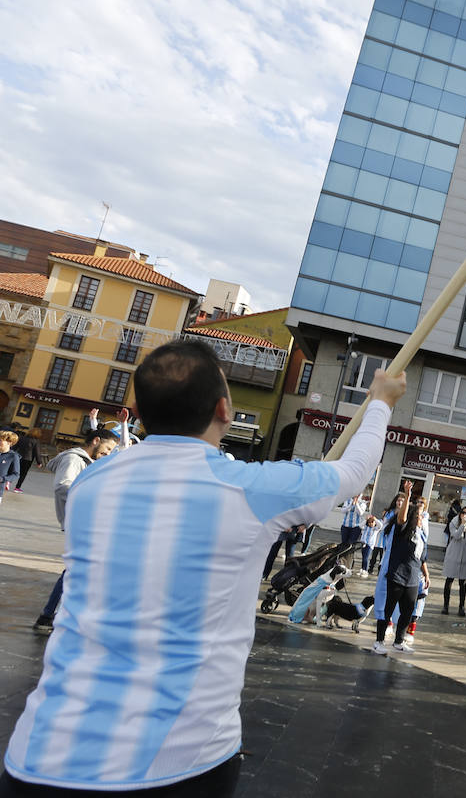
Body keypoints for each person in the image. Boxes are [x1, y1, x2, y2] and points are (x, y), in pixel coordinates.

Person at [1, 339, 402, 795]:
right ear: (225, 410)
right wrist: (382, 401)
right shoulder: (249, 488)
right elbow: (354, 471)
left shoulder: (92, 481)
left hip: (39, 754)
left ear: (137, 410)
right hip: (175, 765)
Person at [29, 427, 121, 633]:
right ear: (96, 441)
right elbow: (63, 486)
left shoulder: (87, 461)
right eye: (107, 449)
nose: (107, 454)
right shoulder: (74, 459)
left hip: (84, 522)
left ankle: (50, 615)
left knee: (76, 569)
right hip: (81, 523)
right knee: (76, 570)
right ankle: (51, 615)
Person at [371, 481, 430, 655]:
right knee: (387, 609)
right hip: (396, 574)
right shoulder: (402, 530)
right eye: (418, 517)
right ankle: (379, 641)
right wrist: (407, 495)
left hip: (413, 577)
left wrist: (426, 575)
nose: (421, 520)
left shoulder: (421, 536)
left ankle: (399, 641)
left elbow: (422, 558)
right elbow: (402, 518)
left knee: (407, 611)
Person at [442, 506, 466, 615]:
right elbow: (456, 536)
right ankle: (445, 606)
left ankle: (462, 607)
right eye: (463, 513)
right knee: (449, 580)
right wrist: (462, 525)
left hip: (465, 556)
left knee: (463, 582)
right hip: (454, 555)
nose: (464, 515)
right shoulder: (454, 522)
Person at [338, 493, 367, 567]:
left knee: (350, 545)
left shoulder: (362, 503)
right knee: (344, 545)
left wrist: (356, 503)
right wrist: (351, 504)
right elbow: (343, 511)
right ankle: (342, 562)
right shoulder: (347, 500)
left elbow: (360, 513)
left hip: (356, 527)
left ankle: (349, 564)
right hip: (345, 525)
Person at [12, 428, 43, 493]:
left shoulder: (21, 438)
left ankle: (8, 482)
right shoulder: (36, 441)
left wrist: (10, 454)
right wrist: (39, 462)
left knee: (14, 471)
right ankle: (17, 487)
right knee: (23, 474)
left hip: (18, 457)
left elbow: (14, 447)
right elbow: (37, 452)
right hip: (28, 459)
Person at [0, 430, 22, 502]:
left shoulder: (13, 456)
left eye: (1, 440)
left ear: (9, 443)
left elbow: (16, 474)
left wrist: (3, 479)